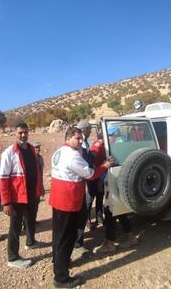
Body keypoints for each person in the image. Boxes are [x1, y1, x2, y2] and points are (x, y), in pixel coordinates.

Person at [50, 126, 114, 288]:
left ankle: (58, 262)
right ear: (68, 138)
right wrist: (105, 166)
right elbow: (90, 174)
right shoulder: (73, 156)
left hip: (58, 199)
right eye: (77, 138)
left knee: (58, 235)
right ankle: (61, 278)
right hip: (68, 201)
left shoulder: (59, 152)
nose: (81, 141)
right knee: (67, 237)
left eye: (81, 138)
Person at [0, 121, 42, 269]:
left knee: (31, 220)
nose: (23, 135)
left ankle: (31, 242)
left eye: (25, 132)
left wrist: (39, 188)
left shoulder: (31, 149)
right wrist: (6, 202)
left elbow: (36, 171)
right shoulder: (9, 152)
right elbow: (3, 179)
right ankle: (12, 258)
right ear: (15, 133)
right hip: (17, 196)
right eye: (20, 132)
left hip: (31, 193)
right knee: (15, 227)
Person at [73, 120, 94, 258]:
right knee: (81, 212)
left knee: (83, 211)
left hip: (85, 180)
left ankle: (79, 239)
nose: (90, 131)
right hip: (82, 182)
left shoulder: (85, 142)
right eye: (89, 129)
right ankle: (77, 243)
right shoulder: (78, 145)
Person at [87, 132, 106, 228]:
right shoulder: (97, 148)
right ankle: (86, 220)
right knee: (90, 198)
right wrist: (99, 180)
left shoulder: (100, 146)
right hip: (95, 177)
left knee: (100, 197)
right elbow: (94, 165)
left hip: (99, 177)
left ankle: (99, 218)